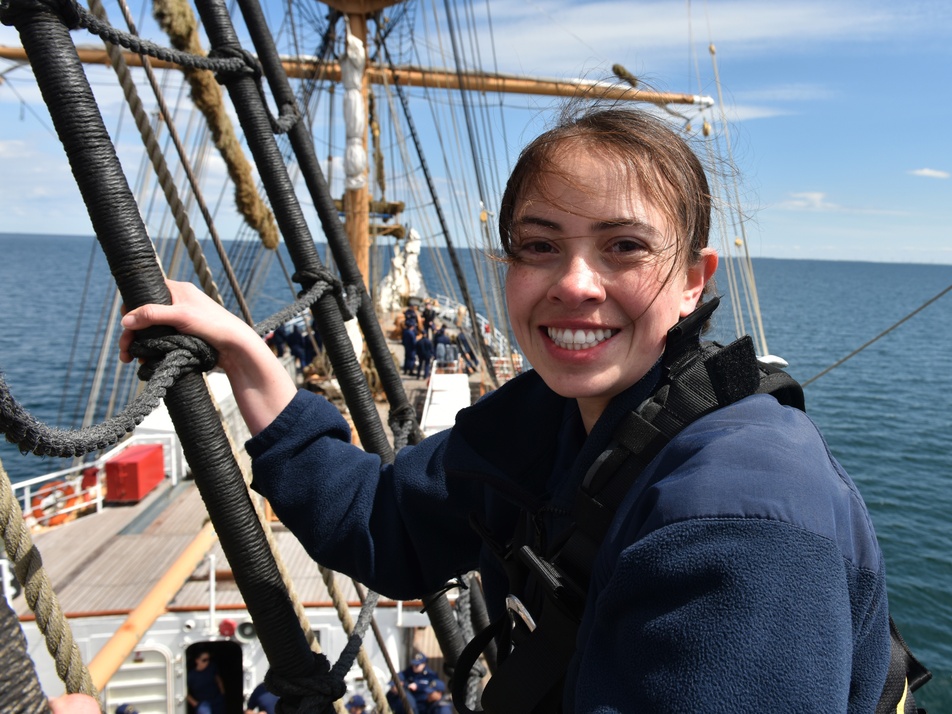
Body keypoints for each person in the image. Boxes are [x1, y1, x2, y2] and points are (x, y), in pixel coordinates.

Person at [120, 105, 891, 711]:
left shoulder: (742, 521)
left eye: (623, 246)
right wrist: (250, 361)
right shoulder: (554, 417)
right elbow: (386, 524)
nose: (575, 283)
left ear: (694, 279)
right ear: (508, 265)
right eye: (539, 245)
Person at [186, 648, 224, 714]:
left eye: (209, 659)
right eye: (204, 660)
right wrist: (196, 704)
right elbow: (184, 692)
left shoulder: (212, 668)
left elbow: (218, 680)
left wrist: (222, 694)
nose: (207, 662)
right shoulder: (191, 675)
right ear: (197, 660)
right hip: (203, 704)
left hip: (217, 701)